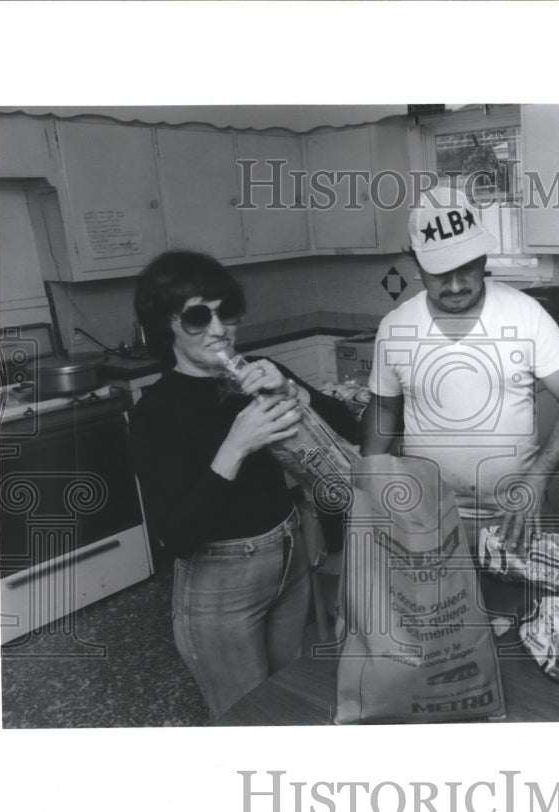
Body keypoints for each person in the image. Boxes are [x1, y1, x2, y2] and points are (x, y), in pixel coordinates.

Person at [128, 249, 358, 720]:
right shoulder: (157, 412)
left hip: (288, 561)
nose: (219, 329)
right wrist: (235, 445)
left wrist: (292, 390)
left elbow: (348, 430)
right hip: (220, 584)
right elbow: (178, 535)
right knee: (247, 718)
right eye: (197, 316)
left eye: (226, 311)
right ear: (165, 326)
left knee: (287, 698)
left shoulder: (258, 371)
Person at [361, 187, 559, 550]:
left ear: (483, 256)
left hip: (515, 516)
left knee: (521, 607)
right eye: (440, 272)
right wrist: (368, 481)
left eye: (467, 268)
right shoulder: (395, 328)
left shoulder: (524, 314)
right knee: (439, 607)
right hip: (426, 517)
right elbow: (384, 408)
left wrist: (538, 478)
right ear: (418, 265)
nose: (455, 286)